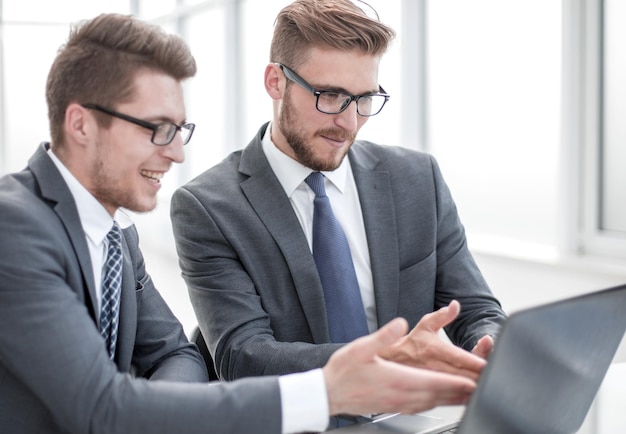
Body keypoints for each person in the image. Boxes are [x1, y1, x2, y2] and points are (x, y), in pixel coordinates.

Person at [0, 12, 479, 434]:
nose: (176, 152)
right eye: (157, 130)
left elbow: (176, 355)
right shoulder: (14, 227)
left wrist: (160, 412)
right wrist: (329, 391)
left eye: (180, 130)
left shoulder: (114, 232)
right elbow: (106, 408)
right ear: (81, 125)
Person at [171, 0, 506, 386]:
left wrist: (489, 344)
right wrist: (386, 358)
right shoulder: (209, 207)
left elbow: (476, 307)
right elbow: (244, 356)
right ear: (275, 82)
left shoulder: (417, 179)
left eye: (365, 99)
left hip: (410, 418)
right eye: (329, 96)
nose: (349, 122)